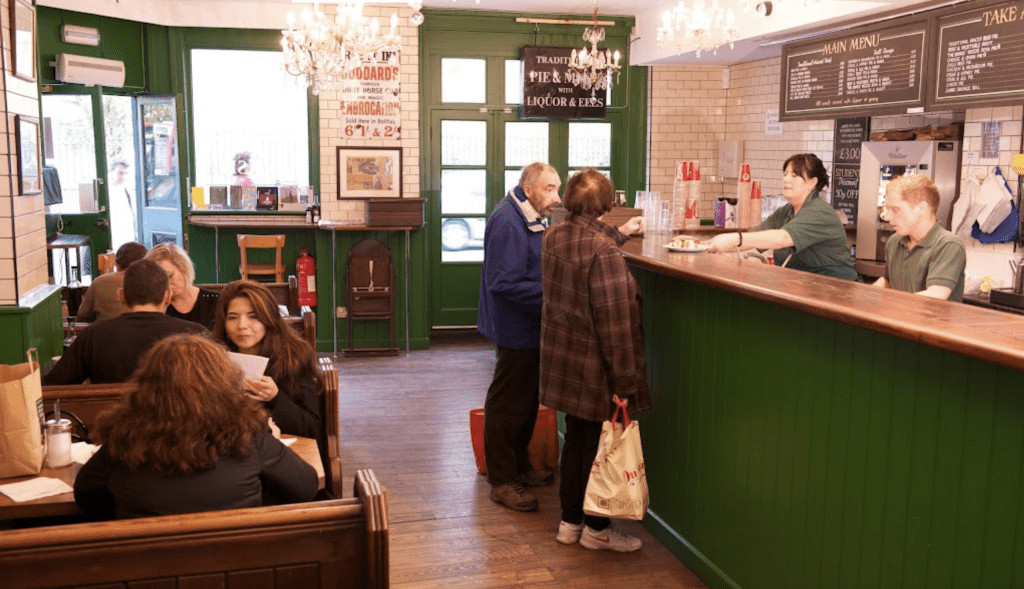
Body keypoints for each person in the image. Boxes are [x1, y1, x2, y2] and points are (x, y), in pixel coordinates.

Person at [73, 334, 318, 520]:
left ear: (149, 383)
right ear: (223, 380)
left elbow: (86, 495)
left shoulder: (124, 437)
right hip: (238, 568)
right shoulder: (247, 432)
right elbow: (305, 487)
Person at [539, 168, 649, 552]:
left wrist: (621, 234)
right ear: (607, 205)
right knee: (599, 447)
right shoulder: (603, 251)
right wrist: (625, 383)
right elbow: (616, 325)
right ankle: (597, 530)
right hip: (594, 365)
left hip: (564, 358)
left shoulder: (555, 234)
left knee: (577, 440)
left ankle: (570, 524)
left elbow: (587, 241)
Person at [477, 162, 562, 512]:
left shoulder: (526, 213)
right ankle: (501, 480)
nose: (556, 197)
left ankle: (518, 467)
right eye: (549, 189)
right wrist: (554, 295)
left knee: (525, 401)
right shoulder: (507, 222)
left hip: (528, 325)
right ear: (529, 189)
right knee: (508, 404)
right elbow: (503, 284)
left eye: (558, 188)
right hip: (515, 327)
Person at [43, 259, 208, 385]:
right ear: (168, 296)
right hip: (182, 426)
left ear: (121, 296)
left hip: (112, 425)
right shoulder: (195, 333)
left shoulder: (94, 335)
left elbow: (53, 386)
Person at [708, 153, 858, 280]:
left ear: (812, 182)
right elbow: (755, 235)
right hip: (802, 286)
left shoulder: (819, 212)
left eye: (794, 175)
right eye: (785, 174)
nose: (786, 180)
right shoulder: (786, 211)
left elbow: (783, 238)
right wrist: (706, 245)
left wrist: (736, 239)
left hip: (835, 289)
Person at [212, 280, 322, 439]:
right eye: (232, 317)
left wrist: (275, 398)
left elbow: (311, 427)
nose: (242, 325)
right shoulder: (214, 358)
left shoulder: (294, 357)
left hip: (281, 451)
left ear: (268, 319)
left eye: (253, 316)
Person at [873, 174, 966, 301]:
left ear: (921, 208)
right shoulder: (894, 241)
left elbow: (936, 295)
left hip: (931, 321)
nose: (888, 217)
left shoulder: (948, 245)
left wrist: (891, 305)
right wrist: (864, 295)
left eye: (895, 209)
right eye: (887, 209)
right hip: (898, 319)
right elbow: (888, 281)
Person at [146, 242, 220, 329]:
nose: (167, 285)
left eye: (170, 276)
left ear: (183, 268)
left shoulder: (216, 300)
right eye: (159, 280)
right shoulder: (155, 307)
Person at [75, 241, 148, 322]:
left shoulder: (99, 282)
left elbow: (82, 317)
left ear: (116, 264)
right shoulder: (153, 282)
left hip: (106, 333)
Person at [108, 159, 138, 250]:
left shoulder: (123, 188)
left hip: (126, 232)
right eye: (120, 173)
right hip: (117, 233)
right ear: (111, 171)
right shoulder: (109, 190)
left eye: (125, 173)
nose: (123, 177)